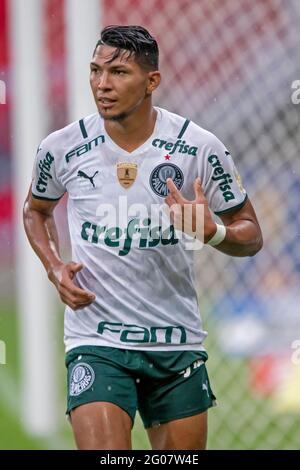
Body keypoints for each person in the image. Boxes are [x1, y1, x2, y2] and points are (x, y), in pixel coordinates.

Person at [23, 25, 263, 450]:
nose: (102, 84)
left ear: (152, 81)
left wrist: (213, 231)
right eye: (95, 71)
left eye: (118, 72)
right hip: (97, 341)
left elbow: (251, 235)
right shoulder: (61, 148)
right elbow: (35, 209)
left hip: (176, 341)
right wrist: (54, 266)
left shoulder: (198, 148)